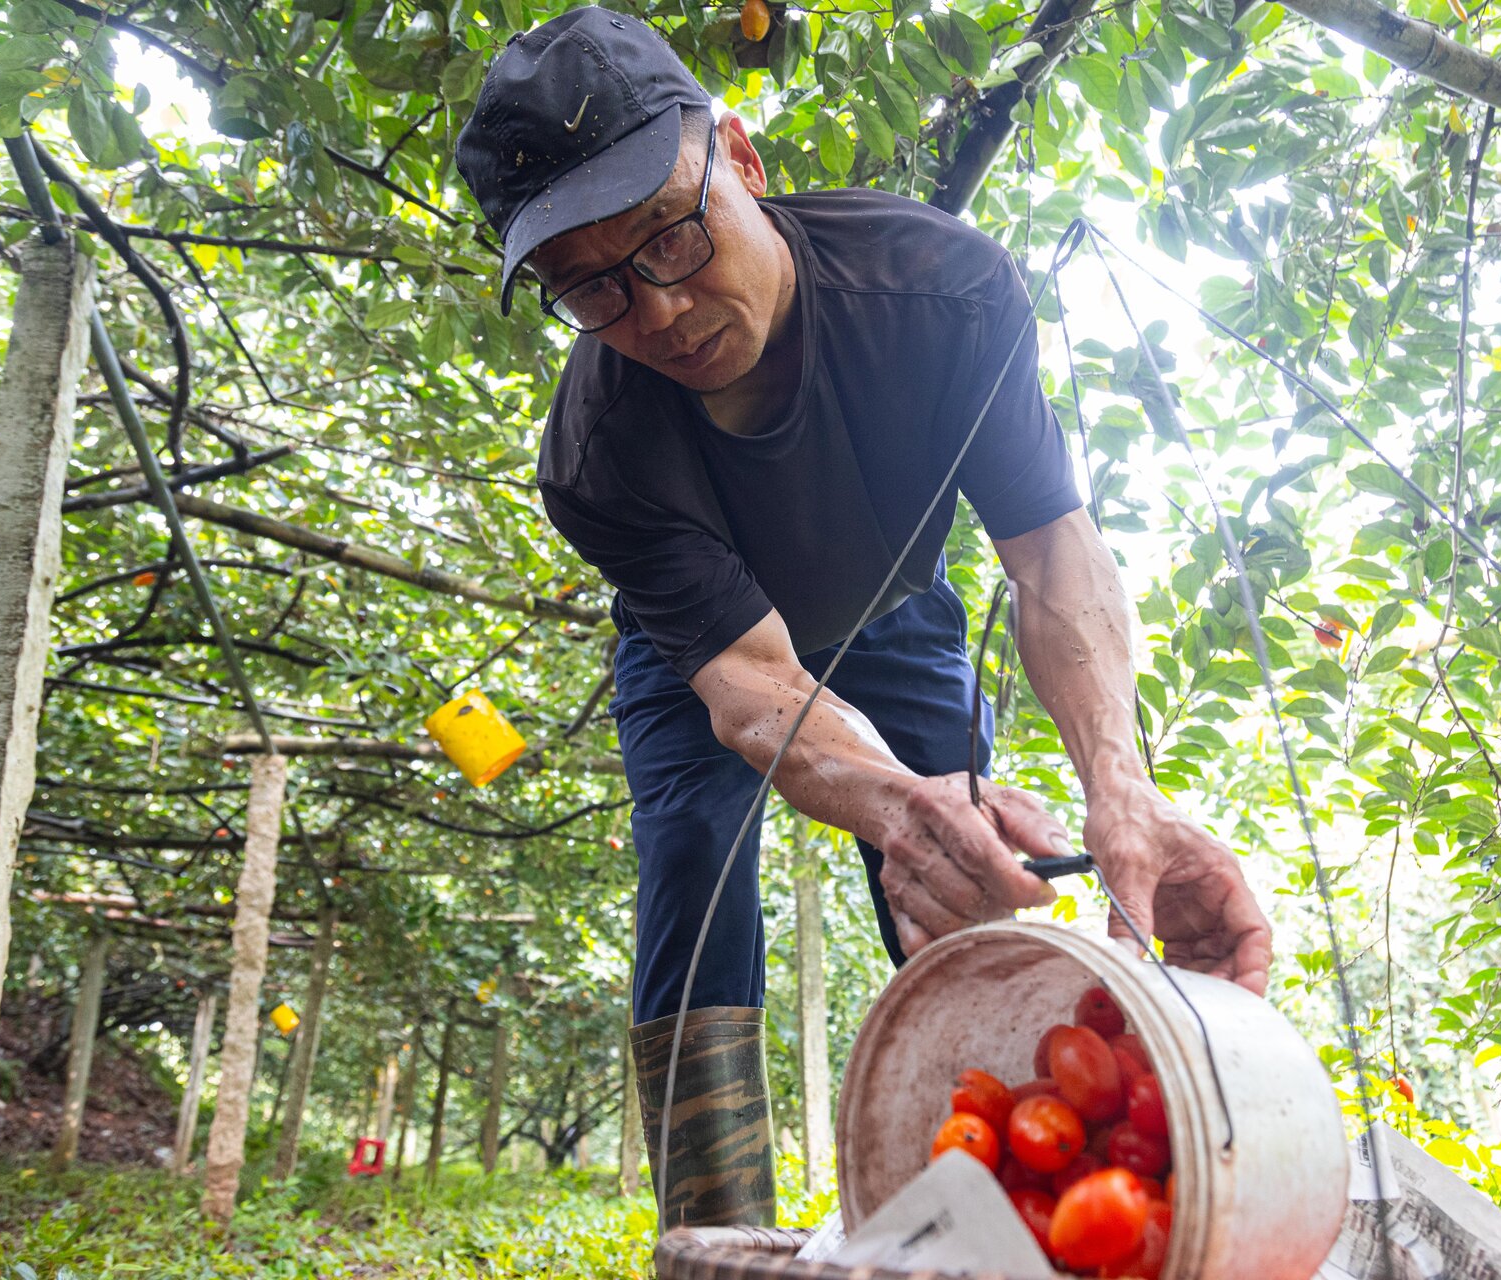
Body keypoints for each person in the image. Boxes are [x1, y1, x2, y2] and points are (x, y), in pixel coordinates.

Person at [454, 7, 1272, 1229]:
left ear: (739, 157)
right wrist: (897, 803)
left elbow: (1052, 553)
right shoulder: (596, 453)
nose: (658, 311)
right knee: (693, 858)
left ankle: (1023, 1186)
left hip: (894, 613)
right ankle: (713, 1227)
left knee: (973, 870)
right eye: (594, 287)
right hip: (710, 658)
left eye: (670, 238)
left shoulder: (942, 291)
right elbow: (750, 683)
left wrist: (1123, 785)